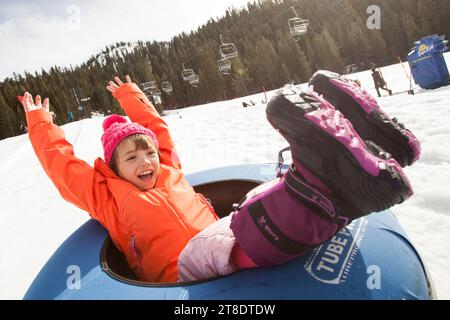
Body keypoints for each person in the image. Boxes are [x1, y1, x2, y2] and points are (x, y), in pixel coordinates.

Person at [20, 74, 419, 284]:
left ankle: (365, 153)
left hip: (220, 234)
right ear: (113, 166)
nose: (146, 161)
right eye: (132, 157)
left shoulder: (169, 168)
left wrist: (132, 98)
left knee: (258, 201)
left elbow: (157, 130)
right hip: (184, 273)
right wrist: (40, 123)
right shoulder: (108, 196)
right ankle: (329, 178)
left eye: (148, 153)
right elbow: (61, 165)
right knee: (232, 239)